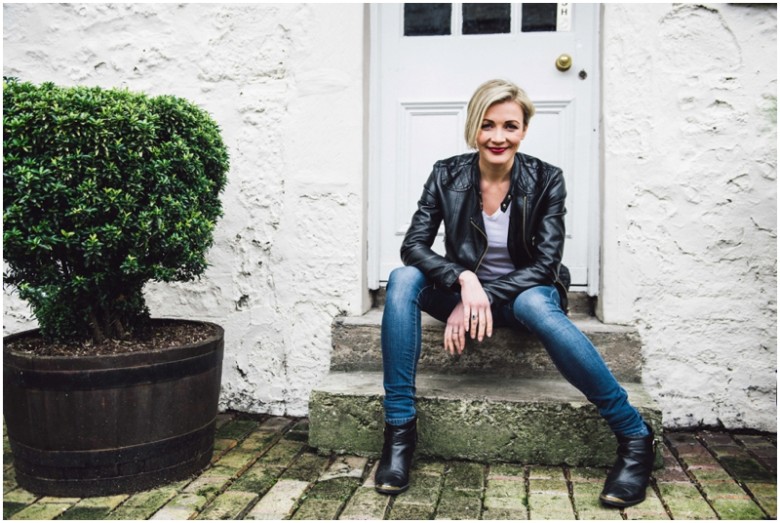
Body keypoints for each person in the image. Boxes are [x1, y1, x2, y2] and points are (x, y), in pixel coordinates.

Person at [374, 79, 655, 508]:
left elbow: (544, 265)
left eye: (510, 126)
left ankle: (634, 436)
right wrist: (463, 281)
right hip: (466, 295)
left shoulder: (546, 180)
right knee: (402, 278)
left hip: (527, 294)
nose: (498, 137)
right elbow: (413, 246)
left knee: (533, 302)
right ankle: (399, 431)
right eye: (487, 125)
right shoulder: (446, 174)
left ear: (524, 130)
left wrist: (480, 292)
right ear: (474, 128)